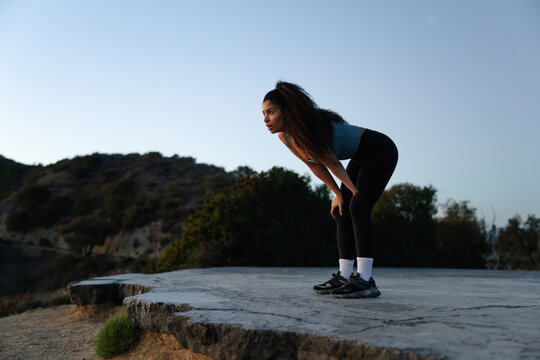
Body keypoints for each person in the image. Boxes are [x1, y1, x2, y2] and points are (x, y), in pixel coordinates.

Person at [262, 81, 398, 298]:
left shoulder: (309, 131)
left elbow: (333, 163)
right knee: (341, 211)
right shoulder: (285, 136)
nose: (266, 119)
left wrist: (352, 191)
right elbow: (315, 165)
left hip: (380, 150)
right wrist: (337, 194)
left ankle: (365, 280)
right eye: (264, 114)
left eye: (270, 112)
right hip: (360, 158)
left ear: (286, 111)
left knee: (358, 207)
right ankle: (344, 276)